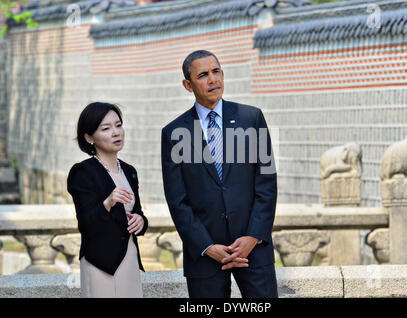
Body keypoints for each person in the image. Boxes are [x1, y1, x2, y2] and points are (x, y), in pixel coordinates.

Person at [161, 50, 278, 298]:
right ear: (187, 84)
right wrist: (207, 246)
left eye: (217, 71)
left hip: (253, 251)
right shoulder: (174, 133)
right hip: (204, 255)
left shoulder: (251, 118)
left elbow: (267, 183)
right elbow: (177, 201)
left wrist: (253, 236)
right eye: (203, 75)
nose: (213, 79)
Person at [67, 102, 148, 298]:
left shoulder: (129, 171)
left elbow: (137, 212)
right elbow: (86, 224)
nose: (116, 132)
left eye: (118, 125)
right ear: (89, 137)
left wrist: (141, 220)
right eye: (106, 128)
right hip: (100, 262)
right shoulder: (83, 172)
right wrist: (108, 202)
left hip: (129, 258)